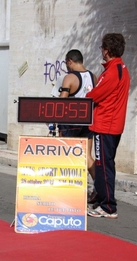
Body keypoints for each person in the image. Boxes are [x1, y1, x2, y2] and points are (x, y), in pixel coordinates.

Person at [86, 33, 130, 219]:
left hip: (105, 124)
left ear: (108, 50)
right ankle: (102, 198)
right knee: (106, 164)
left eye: (102, 48)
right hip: (112, 124)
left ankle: (108, 206)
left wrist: (90, 93)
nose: (101, 52)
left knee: (103, 166)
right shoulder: (120, 68)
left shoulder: (112, 71)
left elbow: (93, 96)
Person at [58, 49, 97, 202]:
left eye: (66, 63)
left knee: (67, 155)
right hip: (87, 122)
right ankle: (98, 187)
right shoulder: (93, 77)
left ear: (70, 61)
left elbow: (61, 102)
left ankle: (69, 190)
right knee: (87, 156)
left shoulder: (70, 78)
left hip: (70, 124)